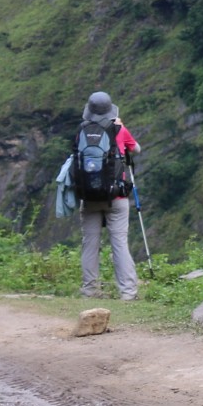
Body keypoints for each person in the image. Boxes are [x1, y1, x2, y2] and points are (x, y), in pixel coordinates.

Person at [74, 90, 140, 301]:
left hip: (89, 197)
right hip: (117, 197)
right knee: (119, 242)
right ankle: (128, 292)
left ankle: (89, 290)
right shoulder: (119, 129)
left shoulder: (81, 130)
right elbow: (136, 149)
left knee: (90, 243)